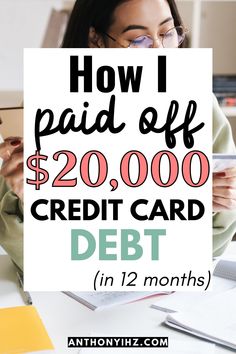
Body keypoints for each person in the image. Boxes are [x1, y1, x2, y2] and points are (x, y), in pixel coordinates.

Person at [0, 0, 235, 272]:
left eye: (168, 33)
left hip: (164, 294)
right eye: (139, 40)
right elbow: (28, 257)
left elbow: (212, 245)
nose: (161, 53)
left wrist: (214, 205)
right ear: (95, 39)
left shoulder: (199, 108)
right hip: (71, 297)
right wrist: (32, 203)